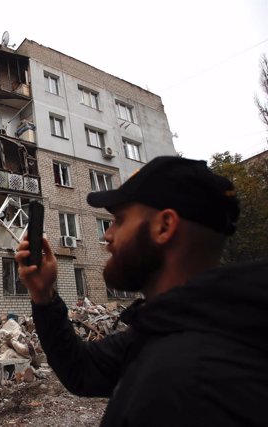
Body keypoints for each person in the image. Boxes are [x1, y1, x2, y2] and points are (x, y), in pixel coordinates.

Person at [15, 156, 268, 427]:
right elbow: (83, 370)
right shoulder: (171, 327)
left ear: (164, 227)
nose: (107, 235)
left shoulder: (189, 381)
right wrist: (43, 295)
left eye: (120, 220)